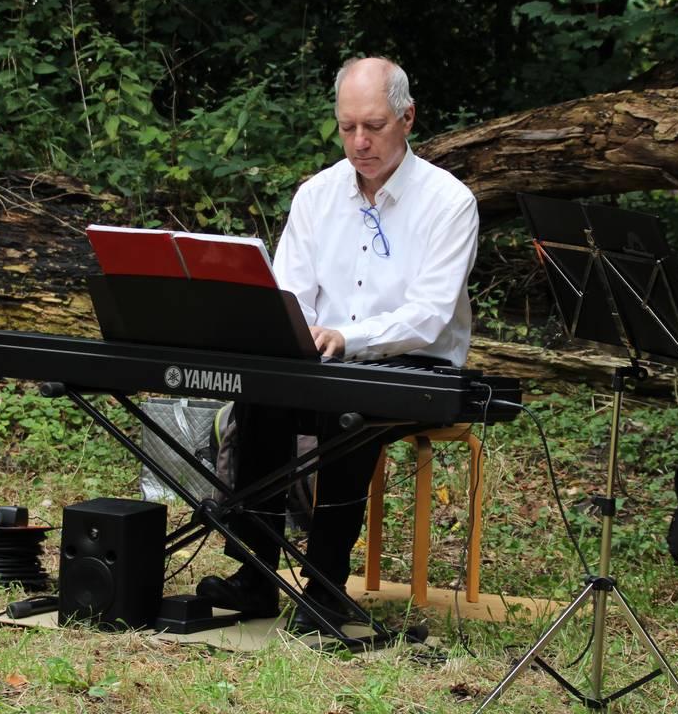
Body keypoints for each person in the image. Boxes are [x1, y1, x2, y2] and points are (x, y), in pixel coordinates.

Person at [195, 56, 480, 633]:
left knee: (350, 409)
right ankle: (256, 573)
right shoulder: (317, 194)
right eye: (347, 127)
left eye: (373, 126)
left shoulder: (449, 203)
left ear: (407, 118)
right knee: (261, 395)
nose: (359, 142)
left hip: (416, 361)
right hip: (325, 357)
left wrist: (349, 338)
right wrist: (296, 334)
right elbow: (290, 292)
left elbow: (428, 315)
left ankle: (325, 583)